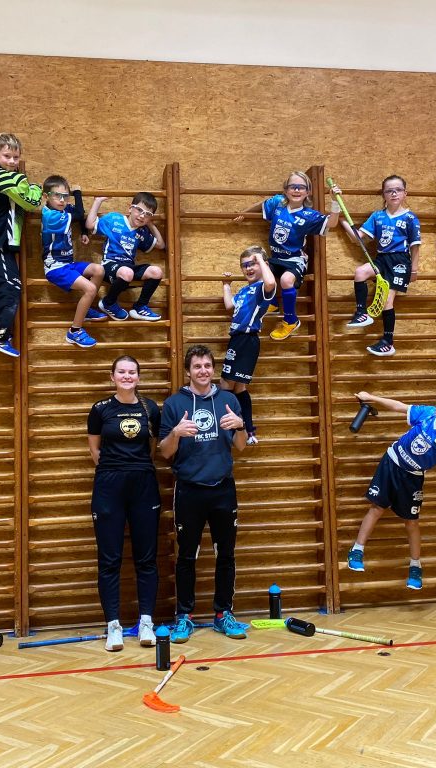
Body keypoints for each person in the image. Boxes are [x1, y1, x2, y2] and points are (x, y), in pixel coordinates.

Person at [158, 344, 249, 643]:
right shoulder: (174, 404)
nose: (203, 371)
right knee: (187, 555)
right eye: (197, 366)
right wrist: (175, 433)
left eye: (207, 365)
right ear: (188, 371)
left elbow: (241, 446)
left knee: (226, 554)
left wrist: (241, 426)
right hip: (189, 490)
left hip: (223, 489)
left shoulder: (228, 400)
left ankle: (223, 614)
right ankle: (184, 616)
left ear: (213, 369)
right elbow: (164, 453)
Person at [346, 390, 436, 590]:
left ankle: (415, 566)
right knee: (377, 508)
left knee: (412, 521)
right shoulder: (428, 413)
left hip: (412, 477)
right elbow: (399, 406)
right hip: (392, 462)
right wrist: (372, 398)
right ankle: (357, 550)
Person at [88, 355, 162, 652]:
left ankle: (146, 622)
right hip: (109, 485)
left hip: (143, 484)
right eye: (122, 371)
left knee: (147, 558)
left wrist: (134, 468)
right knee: (110, 559)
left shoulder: (150, 408)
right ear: (112, 376)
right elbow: (94, 449)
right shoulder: (100, 409)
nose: (127, 376)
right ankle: (113, 626)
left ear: (139, 377)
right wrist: (115, 470)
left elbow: (153, 447)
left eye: (132, 372)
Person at [233, 171, 340, 341]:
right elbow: (262, 204)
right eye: (292, 187)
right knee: (258, 269)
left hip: (295, 260)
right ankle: (273, 303)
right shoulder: (277, 203)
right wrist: (244, 213)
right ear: (285, 190)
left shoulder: (309, 215)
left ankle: (290, 321)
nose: (296, 190)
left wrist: (335, 201)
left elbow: (332, 223)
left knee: (285, 280)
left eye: (301, 187)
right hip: (276, 257)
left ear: (308, 192)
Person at [0, 132, 42, 358]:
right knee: (11, 287)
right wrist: (35, 187)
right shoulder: (6, 177)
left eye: (16, 157)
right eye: (7, 156)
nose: (12, 162)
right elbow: (32, 202)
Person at [340, 174, 421, 357]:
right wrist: (342, 221)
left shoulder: (410, 218)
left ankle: (388, 342)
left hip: (399, 262)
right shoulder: (377, 216)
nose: (394, 193)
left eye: (398, 190)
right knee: (360, 272)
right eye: (389, 191)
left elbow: (415, 246)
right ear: (383, 194)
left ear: (405, 193)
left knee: (386, 301)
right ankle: (361, 312)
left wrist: (414, 270)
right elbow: (358, 239)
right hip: (381, 259)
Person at [40, 175, 108, 349]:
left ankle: (86, 309)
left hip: (68, 264)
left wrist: (84, 232)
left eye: (65, 196)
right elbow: (78, 213)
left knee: (99, 270)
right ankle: (75, 331)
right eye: (57, 195)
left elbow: (79, 216)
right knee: (90, 289)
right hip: (55, 268)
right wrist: (77, 193)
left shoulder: (63, 209)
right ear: (46, 196)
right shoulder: (50, 215)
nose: (62, 200)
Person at [219, 245, 277, 445]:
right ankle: (249, 430)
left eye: (253, 264)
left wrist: (260, 259)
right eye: (245, 265)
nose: (249, 268)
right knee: (239, 387)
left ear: (263, 264)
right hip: (237, 339)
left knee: (225, 384)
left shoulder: (262, 288)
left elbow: (271, 282)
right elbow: (230, 305)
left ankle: (230, 430)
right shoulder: (245, 290)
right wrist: (226, 285)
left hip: (246, 339)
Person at [85, 193, 166, 321]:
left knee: (157, 272)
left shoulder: (142, 231)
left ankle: (140, 306)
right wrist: (98, 201)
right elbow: (90, 224)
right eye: (139, 210)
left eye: (147, 214)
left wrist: (150, 224)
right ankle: (108, 302)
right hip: (110, 265)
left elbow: (161, 245)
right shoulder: (114, 219)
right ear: (130, 208)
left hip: (129, 267)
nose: (142, 216)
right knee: (127, 273)